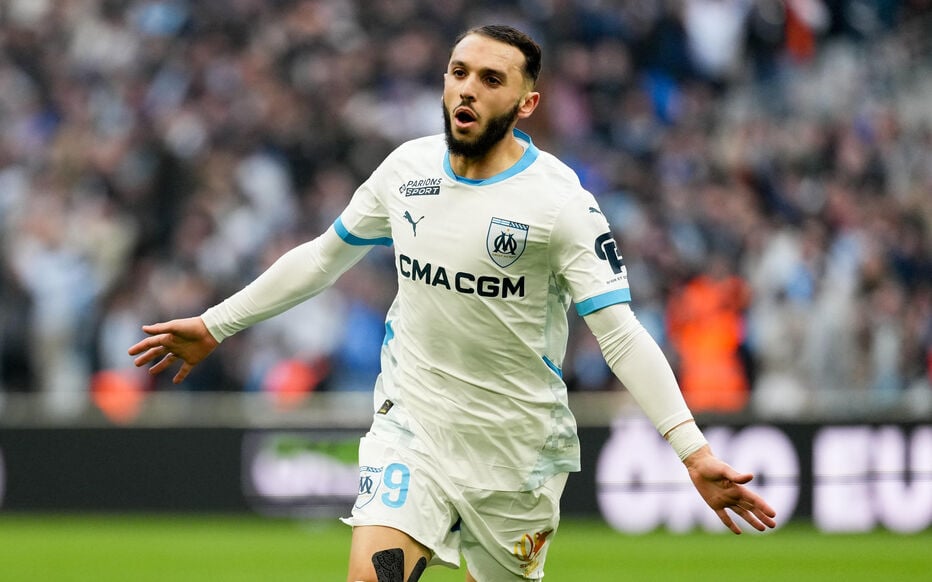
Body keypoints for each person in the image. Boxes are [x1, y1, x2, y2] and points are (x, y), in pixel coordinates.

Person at [129, 25, 776, 582]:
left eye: (491, 79)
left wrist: (692, 451)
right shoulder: (407, 171)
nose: (467, 88)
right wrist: (215, 324)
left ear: (526, 103)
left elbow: (620, 333)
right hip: (412, 427)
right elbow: (323, 257)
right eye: (458, 72)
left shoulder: (561, 204)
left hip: (516, 452)